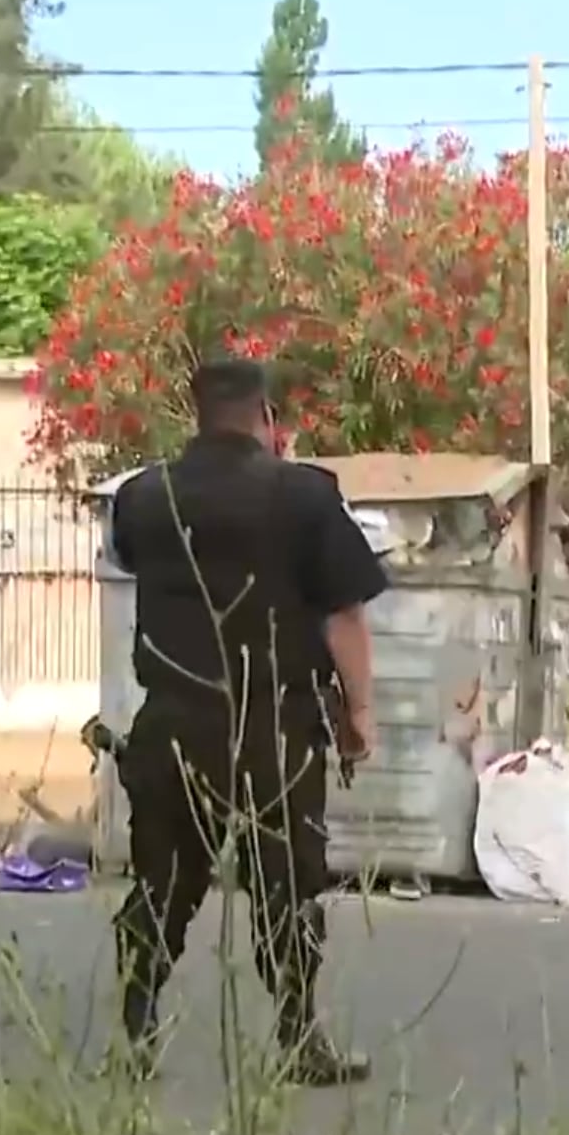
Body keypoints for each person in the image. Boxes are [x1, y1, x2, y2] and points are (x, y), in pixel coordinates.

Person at [107, 357, 386, 1085]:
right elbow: (343, 613)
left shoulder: (143, 497)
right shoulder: (305, 496)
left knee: (162, 882)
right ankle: (299, 1039)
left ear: (196, 414)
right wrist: (358, 713)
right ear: (266, 417)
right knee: (287, 888)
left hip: (171, 720)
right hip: (272, 727)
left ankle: (135, 1035)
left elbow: (136, 566)